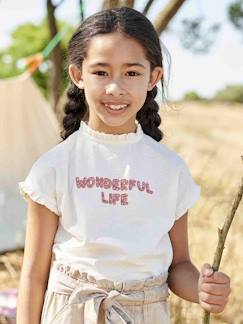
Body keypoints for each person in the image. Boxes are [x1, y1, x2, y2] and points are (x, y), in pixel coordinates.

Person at [16, 6, 230, 324]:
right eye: (101, 72)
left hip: (147, 313)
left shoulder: (170, 170)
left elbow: (179, 266)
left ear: (153, 77)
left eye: (131, 72)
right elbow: (34, 274)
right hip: (71, 312)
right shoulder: (55, 166)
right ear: (78, 75)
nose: (115, 88)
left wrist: (202, 288)